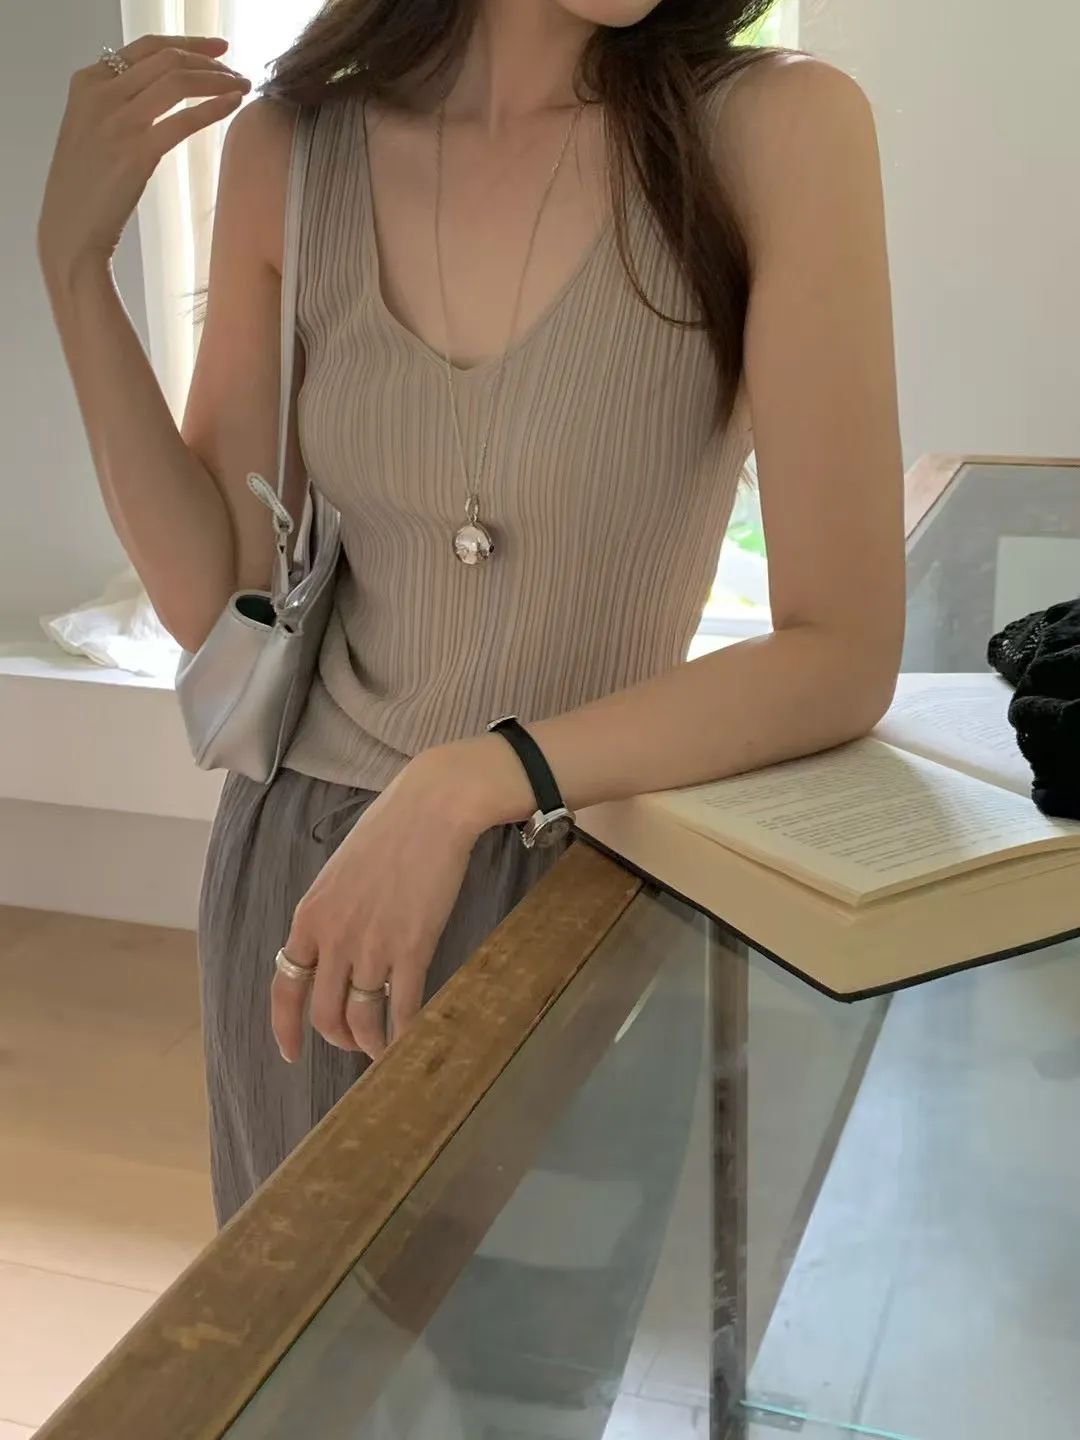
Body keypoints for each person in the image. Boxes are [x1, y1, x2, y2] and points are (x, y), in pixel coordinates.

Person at [39, 0, 905, 1228]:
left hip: (590, 876)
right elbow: (217, 600)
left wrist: (468, 781)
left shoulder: (775, 132)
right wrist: (75, 271)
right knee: (301, 1337)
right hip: (312, 889)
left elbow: (842, 652)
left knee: (547, 1345)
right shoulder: (295, 151)